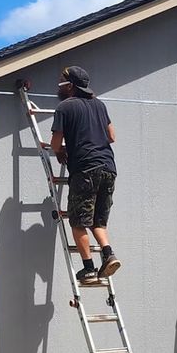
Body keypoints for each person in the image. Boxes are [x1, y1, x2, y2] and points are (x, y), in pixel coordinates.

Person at [48, 64, 120, 284]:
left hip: (85, 170)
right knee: (98, 221)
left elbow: (55, 143)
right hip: (108, 168)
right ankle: (109, 255)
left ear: (70, 86)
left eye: (62, 81)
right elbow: (112, 136)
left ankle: (88, 269)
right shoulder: (99, 105)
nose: (59, 85)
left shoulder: (65, 107)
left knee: (78, 222)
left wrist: (62, 151)